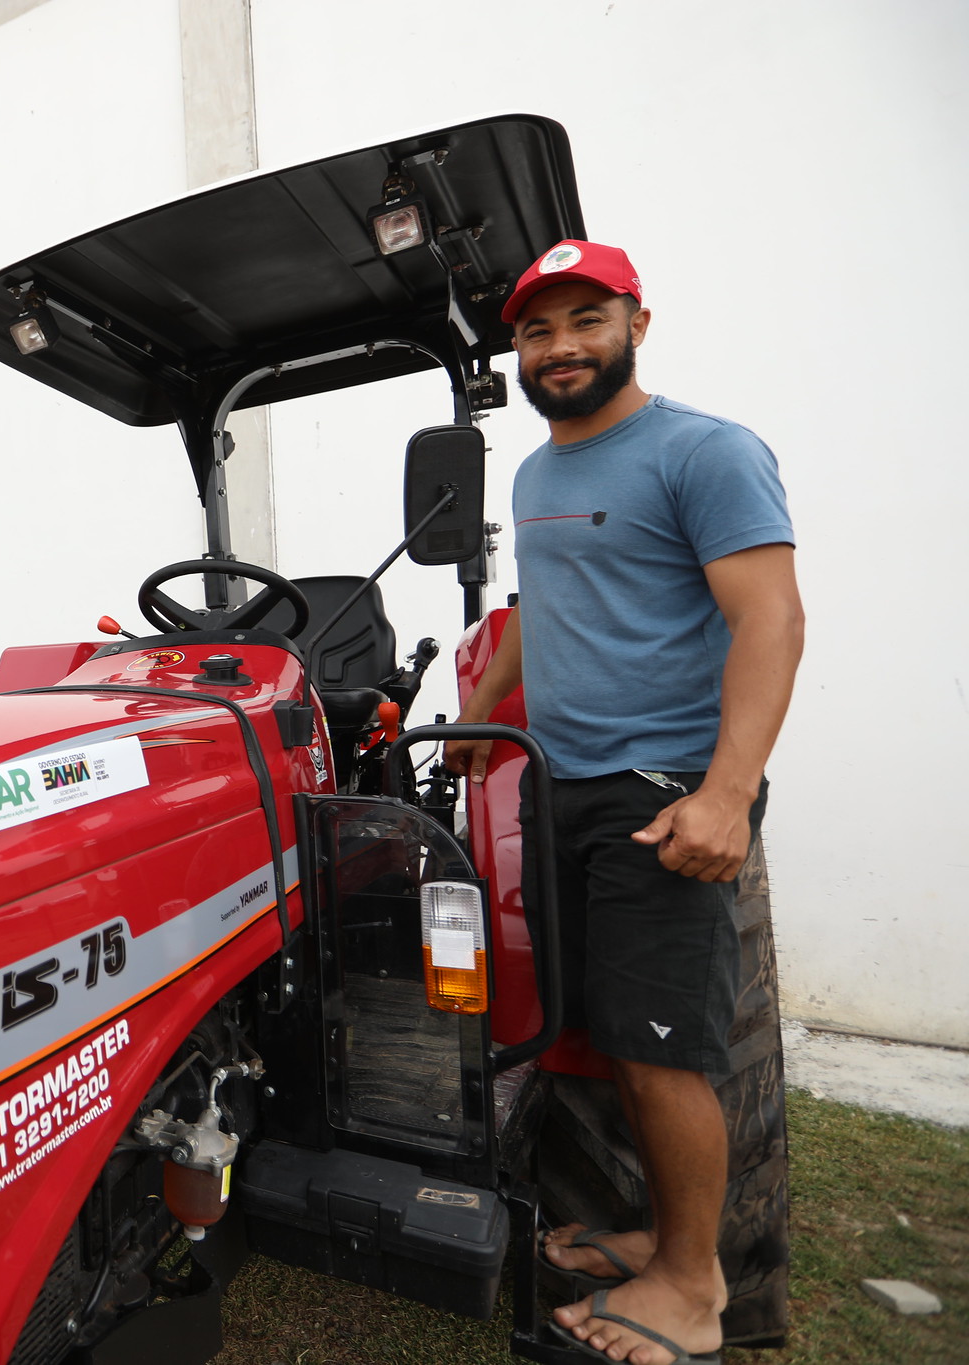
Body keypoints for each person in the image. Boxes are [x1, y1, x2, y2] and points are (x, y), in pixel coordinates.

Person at [443, 240, 803, 1365]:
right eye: (536, 330)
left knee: (660, 1047)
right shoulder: (535, 474)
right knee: (603, 1033)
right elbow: (539, 602)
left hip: (661, 795)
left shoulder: (703, 451)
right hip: (562, 785)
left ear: (636, 325)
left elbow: (771, 619)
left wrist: (724, 795)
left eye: (584, 321)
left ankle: (693, 1285)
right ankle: (657, 1232)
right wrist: (480, 714)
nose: (559, 347)